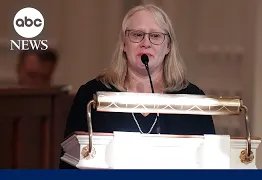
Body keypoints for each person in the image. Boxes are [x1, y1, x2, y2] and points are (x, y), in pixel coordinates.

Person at [59, 4, 215, 169]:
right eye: (137, 35)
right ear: (124, 44)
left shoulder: (193, 98)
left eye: (155, 36)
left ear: (168, 46)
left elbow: (211, 165)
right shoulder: (91, 94)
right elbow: (68, 164)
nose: (145, 43)